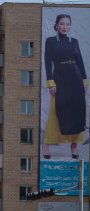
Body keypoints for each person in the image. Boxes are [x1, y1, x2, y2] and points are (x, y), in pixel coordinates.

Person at [43, 13, 88, 159]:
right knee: (55, 111)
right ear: (56, 25)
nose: (65, 27)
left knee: (77, 112)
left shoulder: (74, 41)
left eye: (67, 24)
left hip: (75, 79)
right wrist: (50, 82)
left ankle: (74, 146)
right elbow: (48, 62)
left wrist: (85, 81)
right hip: (59, 79)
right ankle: (46, 145)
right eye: (62, 24)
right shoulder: (50, 41)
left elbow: (80, 62)